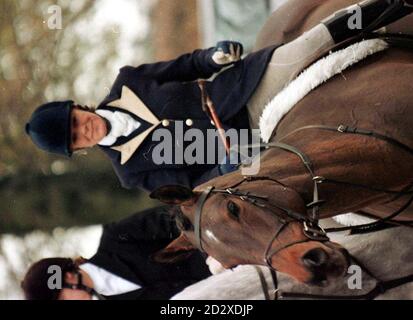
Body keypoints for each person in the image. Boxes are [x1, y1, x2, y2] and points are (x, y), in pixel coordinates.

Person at [25, 0, 413, 192]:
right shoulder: (131, 173)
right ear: (78, 149)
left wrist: (213, 56)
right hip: (247, 149)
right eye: (76, 137)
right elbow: (194, 183)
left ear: (77, 107)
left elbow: (185, 66)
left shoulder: (128, 82)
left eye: (76, 121)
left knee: (305, 46)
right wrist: (225, 165)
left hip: (243, 92)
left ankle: (391, 8)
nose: (84, 129)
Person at [21, 206, 211, 300]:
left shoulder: (115, 237)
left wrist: (210, 252)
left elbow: (178, 217)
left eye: (62, 299)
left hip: (225, 247)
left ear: (68, 277)